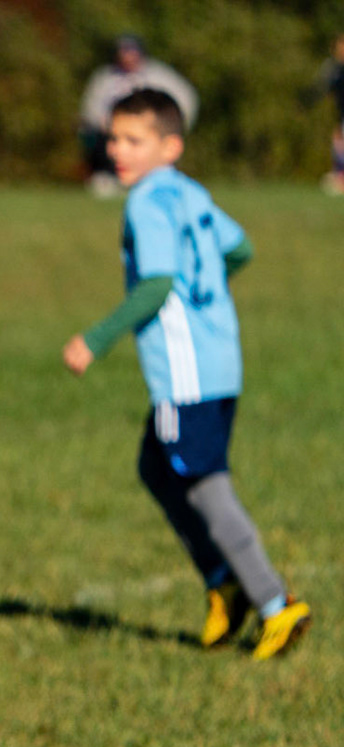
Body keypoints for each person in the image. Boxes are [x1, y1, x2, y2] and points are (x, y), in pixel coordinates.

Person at [60, 89, 311, 661]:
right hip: (222, 360)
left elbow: (155, 284)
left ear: (169, 146)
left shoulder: (148, 201)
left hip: (186, 373)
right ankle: (224, 581)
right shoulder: (191, 192)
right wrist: (210, 293)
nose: (117, 150)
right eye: (114, 138)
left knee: (202, 484)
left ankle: (274, 602)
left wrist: (93, 340)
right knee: (157, 465)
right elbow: (240, 248)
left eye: (133, 140)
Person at [78, 36, 196, 195]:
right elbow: (91, 105)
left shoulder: (159, 74)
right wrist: (103, 122)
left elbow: (185, 97)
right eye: (123, 52)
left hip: (151, 127)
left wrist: (175, 121)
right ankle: (107, 177)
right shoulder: (106, 76)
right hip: (111, 128)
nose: (127, 56)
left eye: (131, 51)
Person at [317, 34, 344, 195]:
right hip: (340, 113)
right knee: (337, 138)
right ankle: (340, 176)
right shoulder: (334, 68)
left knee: (338, 139)